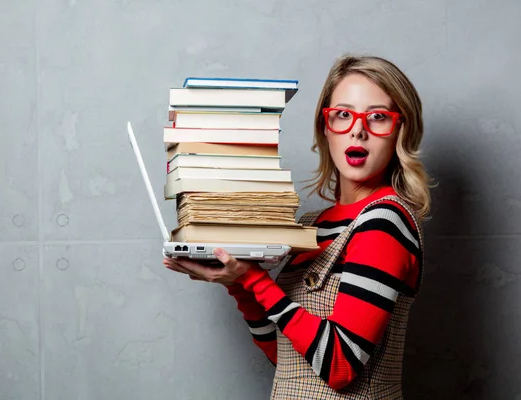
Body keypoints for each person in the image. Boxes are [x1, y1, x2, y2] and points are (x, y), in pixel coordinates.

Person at [164, 54, 431, 399]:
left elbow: (339, 366)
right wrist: (237, 284)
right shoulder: (309, 226)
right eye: (343, 114)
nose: (358, 130)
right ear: (325, 127)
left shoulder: (385, 223)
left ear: (400, 130)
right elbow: (288, 358)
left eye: (378, 117)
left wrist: (252, 278)